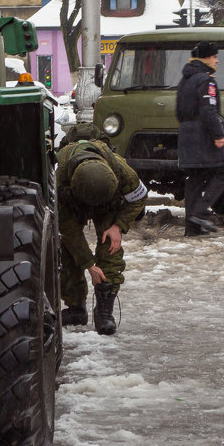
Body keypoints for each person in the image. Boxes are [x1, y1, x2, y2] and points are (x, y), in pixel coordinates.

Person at [56, 132, 147, 335]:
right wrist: (89, 265)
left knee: (110, 247)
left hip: (109, 204)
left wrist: (118, 226)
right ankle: (75, 307)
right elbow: (70, 233)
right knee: (69, 251)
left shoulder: (123, 171)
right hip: (73, 202)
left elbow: (139, 198)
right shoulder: (59, 178)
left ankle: (105, 311)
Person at [175, 40, 224, 237]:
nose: (217, 61)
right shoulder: (206, 80)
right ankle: (201, 212)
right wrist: (218, 135)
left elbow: (179, 111)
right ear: (206, 58)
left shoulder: (185, 79)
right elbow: (208, 110)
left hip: (186, 133)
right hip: (203, 134)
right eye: (215, 57)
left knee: (195, 179)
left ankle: (192, 229)